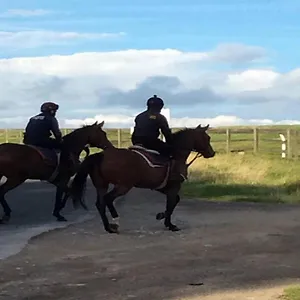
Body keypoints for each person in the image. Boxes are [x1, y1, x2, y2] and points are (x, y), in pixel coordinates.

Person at [131, 95, 187, 182]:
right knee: (172, 152)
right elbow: (166, 133)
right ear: (160, 107)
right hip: (151, 142)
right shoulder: (160, 117)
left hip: (136, 141)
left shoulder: (139, 116)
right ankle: (173, 175)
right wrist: (171, 144)